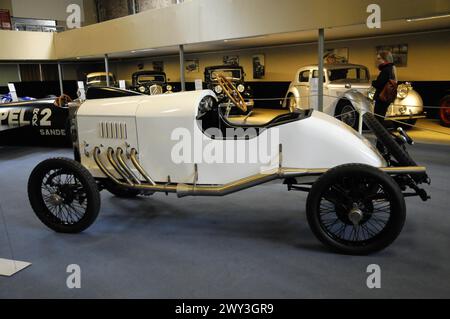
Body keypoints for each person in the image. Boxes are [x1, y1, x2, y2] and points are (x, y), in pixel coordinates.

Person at [372, 51, 397, 125]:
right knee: (381, 116)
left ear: (385, 59)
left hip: (382, 97)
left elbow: (380, 83)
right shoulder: (392, 68)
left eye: (379, 58)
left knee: (378, 118)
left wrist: (373, 82)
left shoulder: (385, 70)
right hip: (387, 97)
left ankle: (380, 134)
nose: (377, 60)